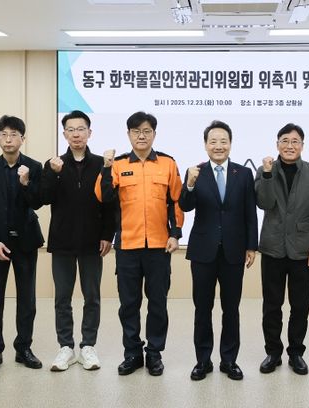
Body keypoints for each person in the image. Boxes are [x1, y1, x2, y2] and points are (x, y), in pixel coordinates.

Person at [97, 111, 184, 377]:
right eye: (136, 131)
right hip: (128, 246)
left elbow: (176, 201)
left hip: (159, 246)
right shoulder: (118, 164)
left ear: (154, 134)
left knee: (157, 302)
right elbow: (103, 196)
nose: (141, 136)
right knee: (129, 304)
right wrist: (105, 167)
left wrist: (175, 233)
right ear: (129, 135)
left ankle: (154, 353)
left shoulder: (167, 163)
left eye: (146, 131)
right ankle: (132, 353)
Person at [178, 120, 258, 381]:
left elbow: (250, 212)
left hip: (234, 250)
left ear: (230, 144)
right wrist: (189, 184)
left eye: (223, 141)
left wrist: (251, 246)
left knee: (231, 309)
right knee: (202, 308)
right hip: (203, 251)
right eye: (213, 141)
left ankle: (229, 360)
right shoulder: (195, 172)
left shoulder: (243, 174)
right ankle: (203, 361)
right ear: (205, 145)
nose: (218, 146)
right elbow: (185, 205)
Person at [42, 110, 115, 372]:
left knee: (92, 296)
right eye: (71, 130)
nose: (76, 134)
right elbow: (44, 198)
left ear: (89, 132)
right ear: (64, 134)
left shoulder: (101, 164)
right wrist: (53, 174)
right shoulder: (54, 164)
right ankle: (66, 347)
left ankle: (88, 346)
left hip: (92, 242)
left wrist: (107, 235)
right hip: (62, 241)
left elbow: (110, 203)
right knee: (62, 298)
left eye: (81, 129)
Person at [254, 123, 309, 376]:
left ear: (302, 146)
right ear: (277, 145)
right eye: (284, 141)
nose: (289, 145)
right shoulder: (265, 170)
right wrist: (266, 175)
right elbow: (264, 203)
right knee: (271, 305)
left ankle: (296, 353)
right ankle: (273, 352)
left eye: (295, 141)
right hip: (273, 248)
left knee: (300, 306)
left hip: (302, 250)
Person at [0, 115, 44, 374]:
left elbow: (38, 202)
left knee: (27, 298)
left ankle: (23, 348)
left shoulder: (34, 167)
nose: (8, 139)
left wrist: (25, 184)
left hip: (25, 241)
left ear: (22, 139)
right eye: (3, 134)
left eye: (14, 134)